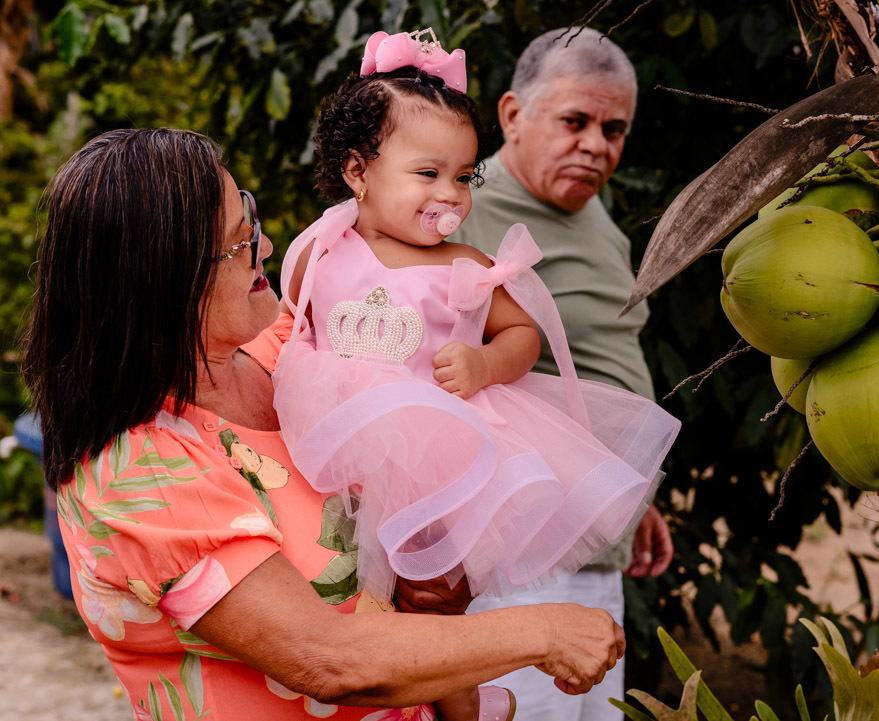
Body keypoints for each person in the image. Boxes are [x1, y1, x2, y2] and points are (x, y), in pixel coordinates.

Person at [22, 127, 628, 721]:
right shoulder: (142, 471)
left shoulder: (293, 353)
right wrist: (544, 630)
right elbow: (326, 660)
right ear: (165, 280)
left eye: (251, 219)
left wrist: (438, 573)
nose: (264, 247)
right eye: (239, 242)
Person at [274, 34, 679, 721]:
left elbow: (524, 334)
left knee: (440, 604)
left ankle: (465, 707)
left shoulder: (469, 259)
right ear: (357, 172)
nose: (450, 194)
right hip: (341, 446)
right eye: (428, 174)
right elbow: (290, 327)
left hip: (446, 459)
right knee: (358, 591)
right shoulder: (323, 245)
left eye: (462, 177)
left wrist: (486, 363)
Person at [452, 27, 674, 720]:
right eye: (574, 121)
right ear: (513, 115)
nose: (597, 146)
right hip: (519, 559)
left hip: (593, 550)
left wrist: (632, 488)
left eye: (615, 129)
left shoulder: (588, 207)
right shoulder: (462, 210)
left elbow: (591, 364)